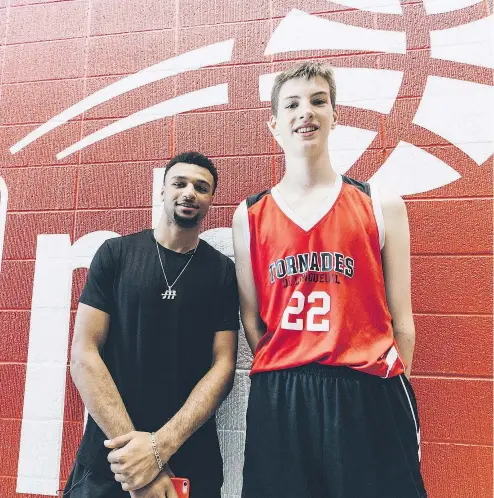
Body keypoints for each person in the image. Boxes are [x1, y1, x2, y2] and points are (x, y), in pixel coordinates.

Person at [232, 62, 427, 497]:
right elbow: (252, 319)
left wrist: (384, 385)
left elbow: (403, 321)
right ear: (274, 124)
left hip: (366, 387)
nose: (307, 112)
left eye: (319, 101)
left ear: (335, 116)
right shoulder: (249, 215)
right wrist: (290, 364)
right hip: (283, 392)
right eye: (293, 104)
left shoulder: (382, 204)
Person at [64, 151, 239, 498]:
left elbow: (224, 365)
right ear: (162, 191)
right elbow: (84, 354)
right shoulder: (115, 254)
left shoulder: (221, 271)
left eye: (201, 187)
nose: (190, 192)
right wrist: (136, 460)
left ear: (210, 201)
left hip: (190, 456)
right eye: (180, 183)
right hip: (111, 457)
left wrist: (159, 449)